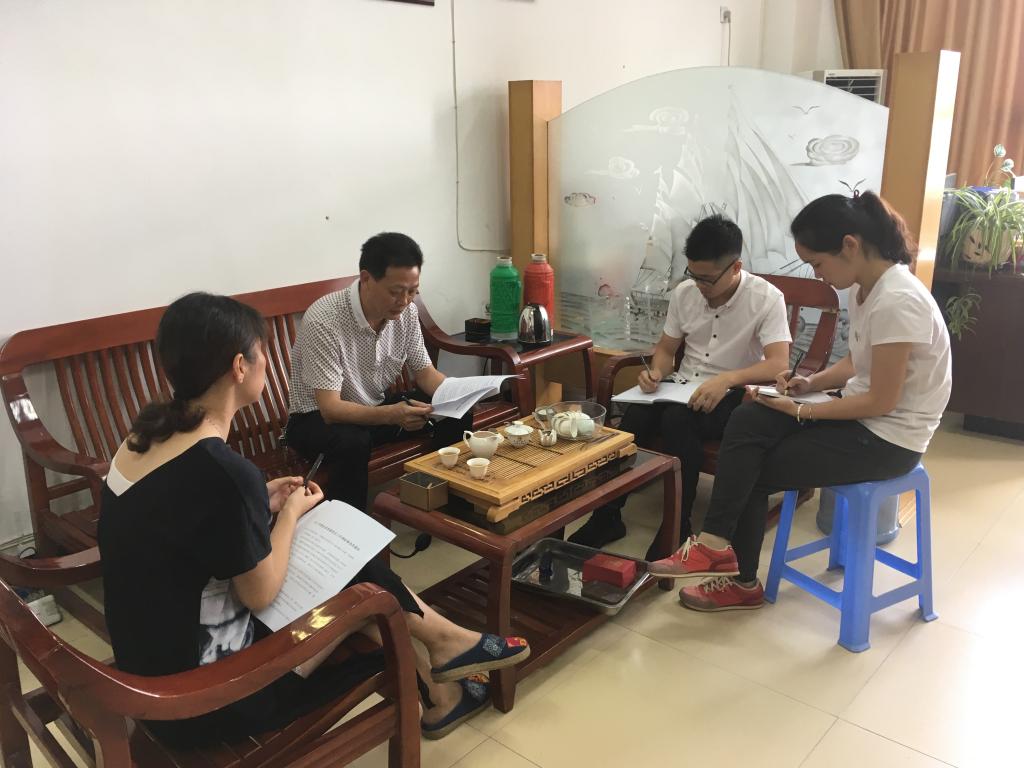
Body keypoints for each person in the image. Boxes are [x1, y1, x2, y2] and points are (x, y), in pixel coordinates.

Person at [98, 292, 530, 747]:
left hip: (145, 671)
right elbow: (260, 593)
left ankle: (444, 677)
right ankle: (447, 651)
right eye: (263, 350)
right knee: (361, 592)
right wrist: (288, 514)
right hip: (209, 696)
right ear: (239, 367)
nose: (270, 361)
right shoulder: (224, 473)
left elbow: (180, 518)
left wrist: (258, 501)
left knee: (349, 575)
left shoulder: (143, 438)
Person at [647, 192, 952, 612]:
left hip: (889, 440)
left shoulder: (898, 300)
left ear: (849, 246)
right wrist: (810, 383)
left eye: (818, 264)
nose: (818, 275)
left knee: (753, 466)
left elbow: (881, 400)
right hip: (864, 420)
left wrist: (806, 411)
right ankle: (715, 545)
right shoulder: (866, 290)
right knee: (750, 416)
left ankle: (739, 580)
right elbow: (856, 362)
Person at [569, 215, 791, 558]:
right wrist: (656, 373)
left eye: (707, 278)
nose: (699, 285)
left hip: (733, 393)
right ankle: (607, 517)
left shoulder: (765, 298)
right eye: (693, 274)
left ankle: (677, 524)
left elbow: (778, 364)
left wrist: (726, 379)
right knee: (634, 418)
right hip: (682, 387)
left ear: (736, 267)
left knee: (677, 420)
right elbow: (665, 350)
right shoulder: (685, 293)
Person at [285, 232, 474, 511]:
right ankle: (348, 528)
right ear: (366, 279)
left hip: (372, 411)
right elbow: (330, 409)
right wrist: (391, 415)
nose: (405, 300)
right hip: (315, 421)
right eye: (395, 292)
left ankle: (446, 509)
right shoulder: (325, 320)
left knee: (456, 411)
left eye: (413, 291)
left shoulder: (407, 313)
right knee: (353, 442)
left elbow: (425, 374)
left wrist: (460, 395)